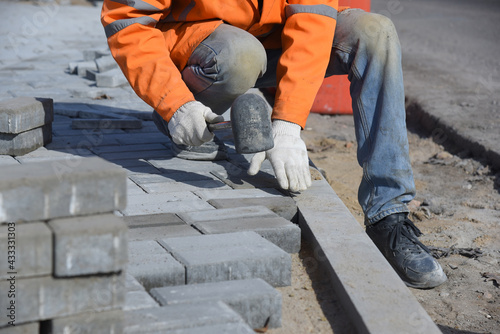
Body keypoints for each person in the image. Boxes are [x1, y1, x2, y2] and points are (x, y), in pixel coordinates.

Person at [101, 0, 447, 289]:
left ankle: (389, 216)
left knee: (375, 33)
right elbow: (127, 20)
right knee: (241, 55)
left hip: (277, 39)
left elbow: (313, 17)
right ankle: (186, 116)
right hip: (206, 50)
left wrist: (287, 125)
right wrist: (174, 103)